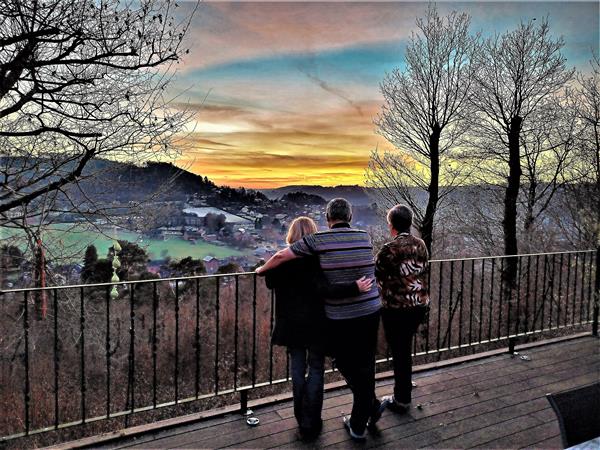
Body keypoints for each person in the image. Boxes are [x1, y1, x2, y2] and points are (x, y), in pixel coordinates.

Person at [257, 198, 385, 440]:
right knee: (325, 369)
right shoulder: (348, 244)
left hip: (304, 323)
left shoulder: (307, 250)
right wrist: (356, 287)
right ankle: (320, 420)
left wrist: (262, 269)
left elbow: (275, 271)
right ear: (349, 216)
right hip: (336, 319)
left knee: (305, 370)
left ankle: (306, 420)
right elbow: (324, 286)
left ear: (328, 219)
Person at [375, 204, 430, 413]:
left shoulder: (389, 250)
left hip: (396, 308)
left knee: (400, 352)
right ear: (410, 222)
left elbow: (376, 273)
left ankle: (402, 399)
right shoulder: (421, 245)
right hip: (418, 305)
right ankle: (403, 391)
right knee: (403, 349)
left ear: (391, 226)